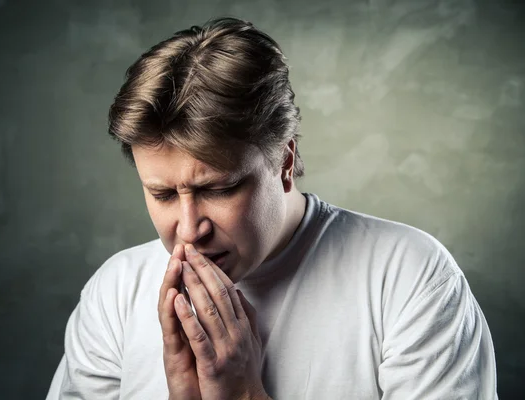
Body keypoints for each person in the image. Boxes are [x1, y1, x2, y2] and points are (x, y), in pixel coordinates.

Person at [46, 16, 498, 400]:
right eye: (163, 195)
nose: (188, 230)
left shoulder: (408, 278)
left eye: (219, 189)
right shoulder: (115, 293)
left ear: (284, 162)